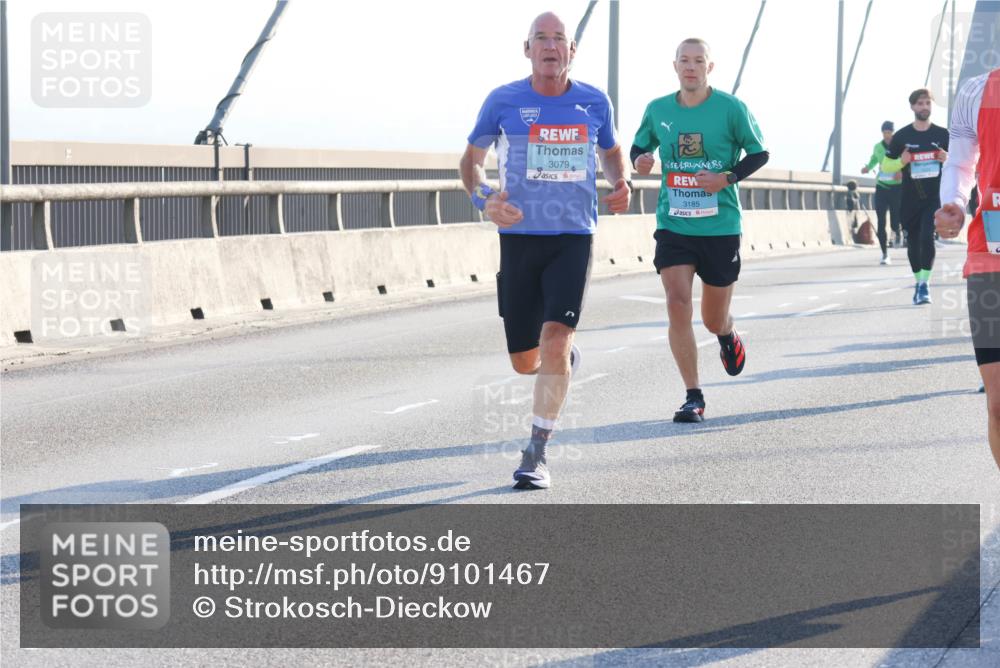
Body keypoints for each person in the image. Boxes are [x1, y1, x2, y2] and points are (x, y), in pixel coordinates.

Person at [459, 12, 631, 489]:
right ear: (527, 49)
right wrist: (484, 200)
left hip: (573, 238)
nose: (551, 46)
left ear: (572, 51)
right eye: (542, 38)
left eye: (559, 39)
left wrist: (621, 182)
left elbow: (612, 151)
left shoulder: (594, 102)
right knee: (524, 359)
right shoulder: (503, 100)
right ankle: (561, 361)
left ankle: (536, 452)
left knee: (555, 339)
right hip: (518, 243)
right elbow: (471, 162)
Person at [630, 38, 768, 423]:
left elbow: (759, 153)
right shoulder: (658, 109)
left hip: (720, 226)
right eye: (684, 61)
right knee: (677, 303)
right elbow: (640, 147)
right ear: (674, 65)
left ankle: (726, 335)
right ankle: (693, 395)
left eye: (698, 61)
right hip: (674, 223)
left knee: (712, 319)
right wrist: (641, 159)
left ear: (711, 67)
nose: (691, 67)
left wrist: (727, 177)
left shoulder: (731, 108)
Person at [934, 66, 1000, 471]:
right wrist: (955, 201)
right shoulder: (978, 91)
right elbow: (961, 163)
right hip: (989, 255)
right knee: (998, 403)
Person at [881, 89, 949, 304]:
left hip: (934, 197)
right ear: (912, 107)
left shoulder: (942, 135)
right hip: (909, 197)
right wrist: (902, 161)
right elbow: (886, 166)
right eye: (920, 104)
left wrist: (947, 158)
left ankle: (925, 285)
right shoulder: (902, 136)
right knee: (913, 242)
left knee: (927, 237)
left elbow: (958, 163)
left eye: (927, 103)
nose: (924, 107)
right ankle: (918, 280)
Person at [861, 121, 903, 261]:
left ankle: (897, 231)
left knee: (895, 221)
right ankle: (885, 254)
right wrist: (868, 167)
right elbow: (874, 159)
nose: (887, 135)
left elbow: (907, 161)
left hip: (896, 188)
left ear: (893, 133)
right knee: (880, 221)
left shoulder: (900, 146)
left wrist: (902, 172)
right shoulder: (878, 147)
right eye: (885, 132)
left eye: (889, 132)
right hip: (881, 187)